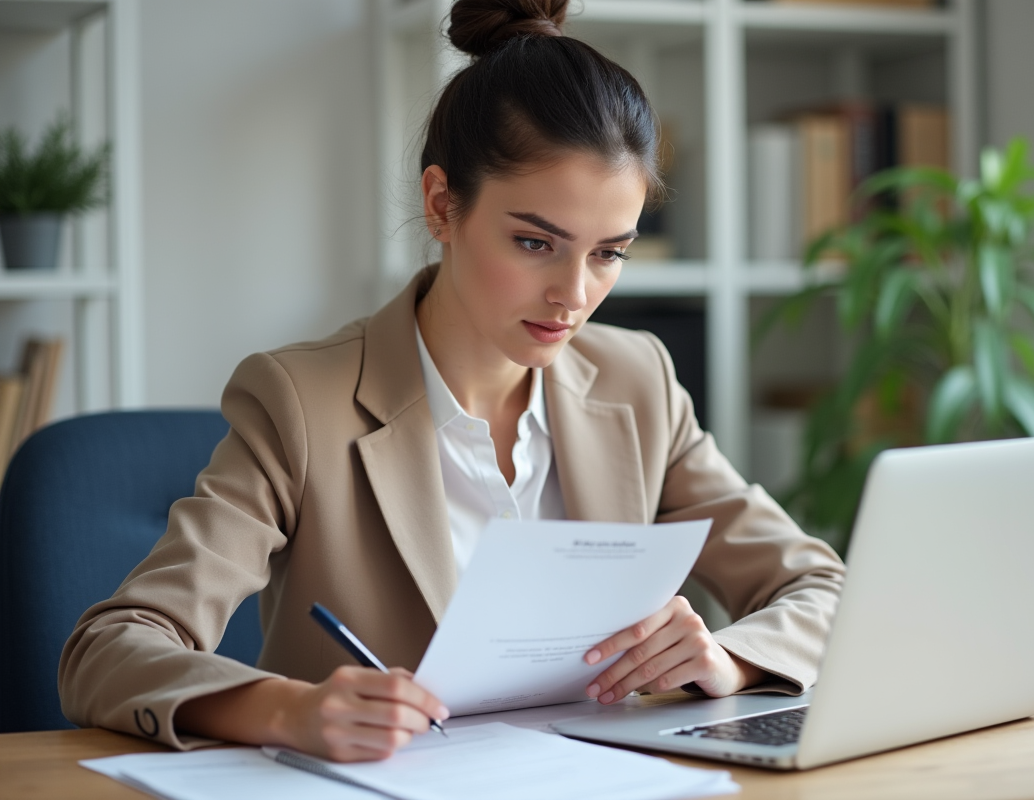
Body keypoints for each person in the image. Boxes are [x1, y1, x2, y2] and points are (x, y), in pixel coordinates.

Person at [59, 0, 845, 764]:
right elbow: (108, 652)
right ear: (442, 204)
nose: (574, 295)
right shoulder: (300, 402)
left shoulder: (635, 381)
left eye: (610, 252)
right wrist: (288, 710)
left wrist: (729, 659)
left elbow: (825, 588)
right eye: (537, 243)